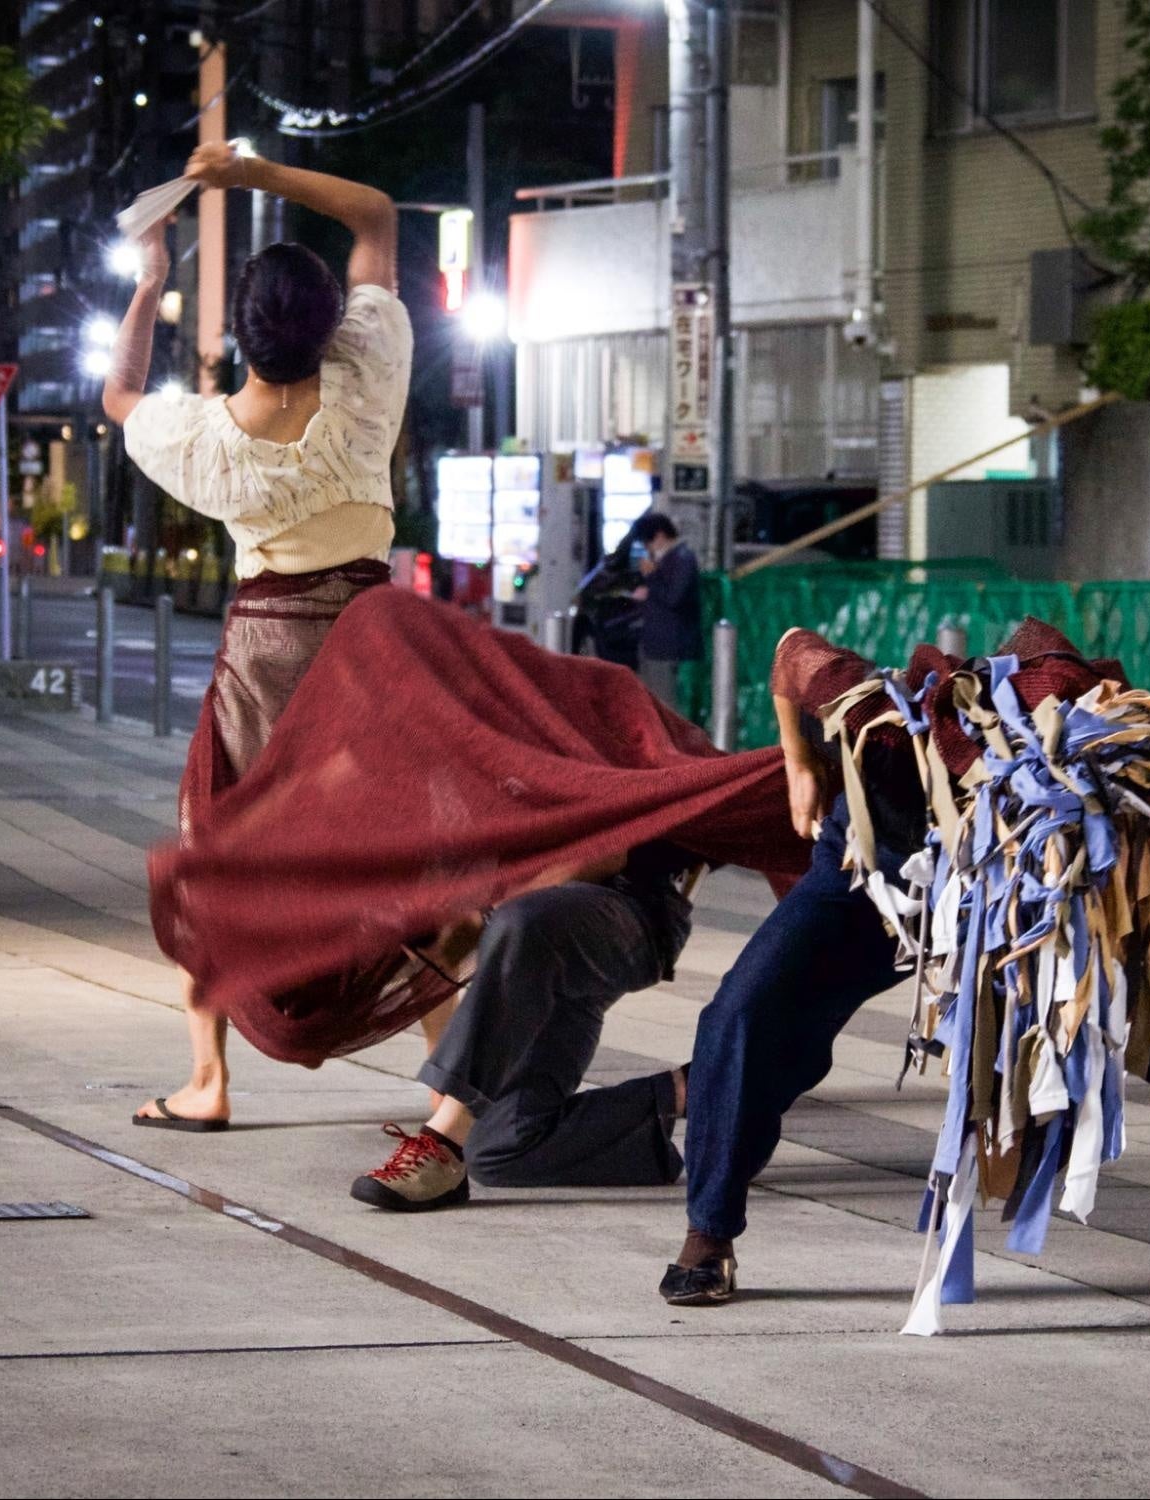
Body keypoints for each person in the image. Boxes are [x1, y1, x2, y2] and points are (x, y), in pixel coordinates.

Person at [659, 622, 1150, 1307]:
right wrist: (799, 763)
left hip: (1054, 892)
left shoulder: (1104, 759)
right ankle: (706, 1237)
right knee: (746, 1012)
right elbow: (790, 649)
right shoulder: (891, 724)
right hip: (885, 875)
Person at [102, 139, 419, 1131]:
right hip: (370, 646)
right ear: (331, 322)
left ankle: (209, 1081)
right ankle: (456, 1073)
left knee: (218, 856)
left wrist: (152, 283)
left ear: (239, 337)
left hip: (264, 654)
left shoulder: (200, 440)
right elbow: (374, 213)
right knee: (393, 859)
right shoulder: (368, 372)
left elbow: (117, 399)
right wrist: (254, 174)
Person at [350, 843, 700, 1211]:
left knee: (522, 921)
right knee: (497, 1147)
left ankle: (442, 1146)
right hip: (538, 924)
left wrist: (485, 915)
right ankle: (700, 1087)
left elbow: (605, 852)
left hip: (632, 907)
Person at [631, 513, 700, 711]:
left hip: (670, 648)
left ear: (660, 535)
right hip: (657, 646)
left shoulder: (682, 558)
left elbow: (673, 597)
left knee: (666, 705)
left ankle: (666, 742)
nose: (647, 548)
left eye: (647, 541)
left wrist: (652, 577)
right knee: (655, 703)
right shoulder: (668, 559)